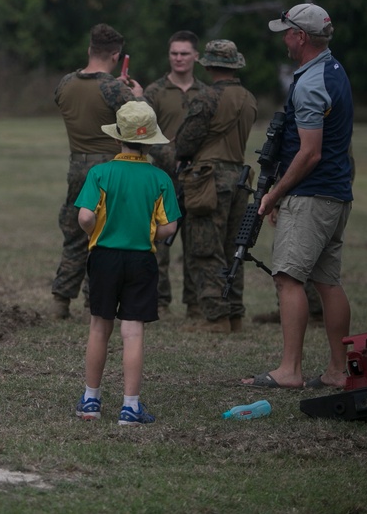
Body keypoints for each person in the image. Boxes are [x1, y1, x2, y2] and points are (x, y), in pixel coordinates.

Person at [242, 3, 353, 389]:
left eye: (287, 32)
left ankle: (290, 370)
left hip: (311, 195)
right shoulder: (334, 70)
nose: (284, 39)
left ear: (301, 37)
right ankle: (338, 370)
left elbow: (310, 152)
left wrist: (274, 194)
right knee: (327, 281)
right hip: (336, 193)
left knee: (288, 278)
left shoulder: (308, 84)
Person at [74, 101, 180, 425]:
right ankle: (130, 407)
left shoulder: (100, 173)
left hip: (104, 256)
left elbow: (85, 216)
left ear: (118, 137)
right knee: (132, 333)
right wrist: (148, 232)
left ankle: (91, 401)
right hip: (141, 260)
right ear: (149, 141)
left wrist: (97, 230)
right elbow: (169, 227)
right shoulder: (160, 178)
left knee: (98, 327)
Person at [51, 23, 142, 320]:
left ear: (90, 49)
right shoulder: (115, 88)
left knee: (75, 231)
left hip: (77, 165)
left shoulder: (65, 83)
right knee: (106, 236)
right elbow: (140, 124)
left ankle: (61, 300)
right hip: (110, 167)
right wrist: (137, 96)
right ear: (116, 55)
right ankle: (95, 301)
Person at [173, 40, 257, 333]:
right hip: (240, 179)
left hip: (209, 179)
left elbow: (185, 143)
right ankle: (234, 314)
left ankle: (215, 317)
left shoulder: (207, 97)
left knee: (205, 248)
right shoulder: (248, 98)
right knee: (233, 249)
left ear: (208, 65)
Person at [142, 31, 208, 317]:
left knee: (197, 245)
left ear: (196, 56)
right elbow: (143, 133)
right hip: (161, 178)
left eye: (184, 53)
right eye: (174, 53)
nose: (179, 58)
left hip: (197, 181)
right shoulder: (153, 92)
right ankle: (159, 302)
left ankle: (195, 304)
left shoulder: (206, 93)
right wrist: (172, 157)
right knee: (157, 244)